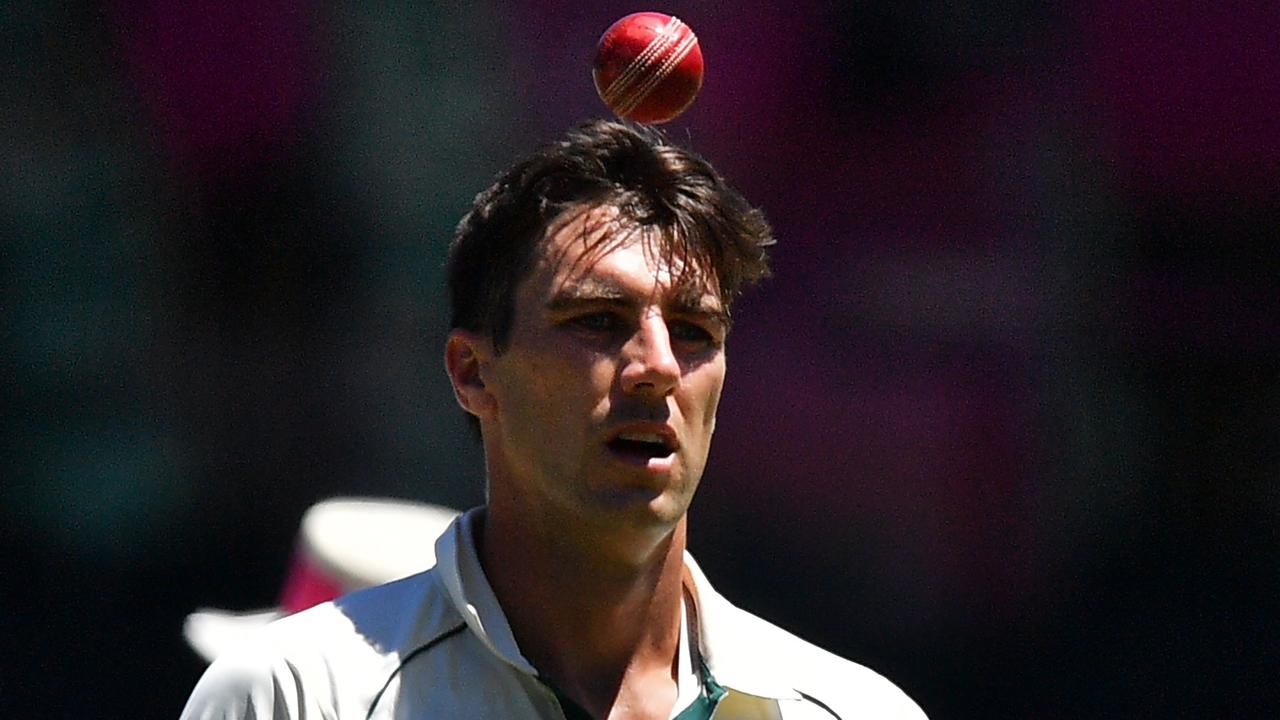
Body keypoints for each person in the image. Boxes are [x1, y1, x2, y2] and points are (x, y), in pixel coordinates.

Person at [179, 119, 927, 719]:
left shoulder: (856, 711)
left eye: (696, 332)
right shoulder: (292, 697)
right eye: (599, 321)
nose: (660, 365)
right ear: (473, 374)